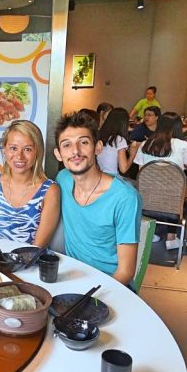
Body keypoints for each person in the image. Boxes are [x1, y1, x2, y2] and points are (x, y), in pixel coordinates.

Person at [54, 111, 142, 285]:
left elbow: (125, 272)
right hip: (71, 278)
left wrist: (92, 296)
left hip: (110, 285)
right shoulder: (63, 179)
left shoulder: (125, 198)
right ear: (58, 154)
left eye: (84, 142)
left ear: (98, 147)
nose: (75, 151)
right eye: (67, 145)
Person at [0, 120, 60, 246]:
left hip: (32, 257)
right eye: (13, 148)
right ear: (4, 150)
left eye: (28, 149)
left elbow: (37, 246)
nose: (19, 156)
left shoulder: (49, 191)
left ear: (38, 152)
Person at [134, 114, 187, 250]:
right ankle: (171, 238)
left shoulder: (146, 144)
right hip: (172, 202)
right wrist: (185, 166)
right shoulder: (183, 146)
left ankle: (150, 232)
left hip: (147, 200)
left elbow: (142, 173)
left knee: (159, 193)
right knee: (177, 195)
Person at [97, 107, 133, 176]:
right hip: (111, 177)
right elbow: (123, 169)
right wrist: (132, 154)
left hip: (98, 175)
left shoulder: (100, 135)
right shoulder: (119, 139)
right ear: (124, 123)